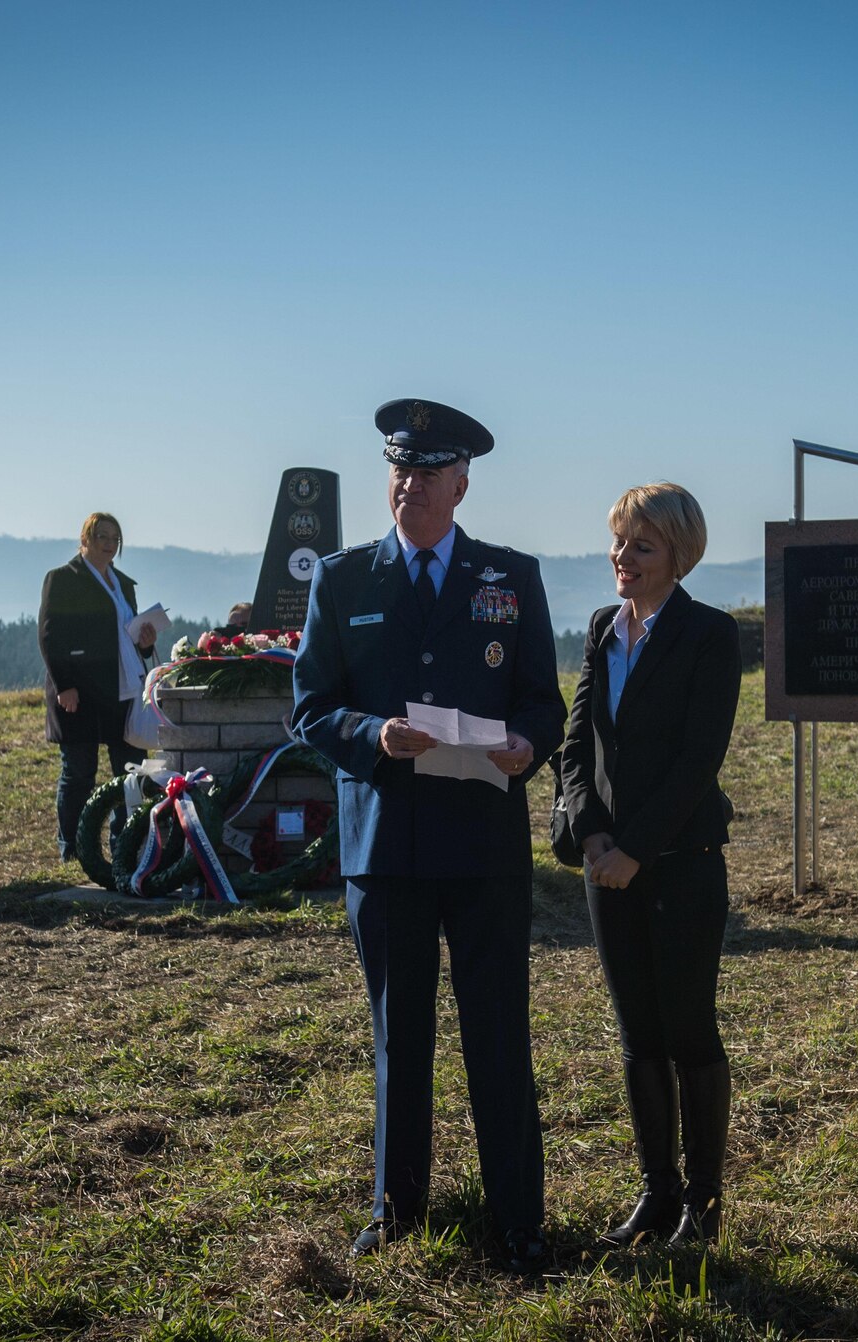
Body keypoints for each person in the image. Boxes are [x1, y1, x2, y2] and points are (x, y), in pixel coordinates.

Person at [292, 398, 566, 1271]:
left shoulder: (509, 576)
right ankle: (395, 1208)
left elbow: (541, 702)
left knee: (497, 1033)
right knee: (396, 1035)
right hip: (387, 847)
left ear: (461, 482)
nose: (408, 484)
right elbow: (310, 708)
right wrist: (371, 737)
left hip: (483, 841)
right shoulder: (343, 581)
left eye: (426, 472)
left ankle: (517, 1218)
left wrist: (530, 742)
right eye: (398, 470)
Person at [559, 483, 741, 1248]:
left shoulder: (710, 635)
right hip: (608, 870)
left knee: (688, 1031)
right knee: (637, 1036)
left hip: (682, 865)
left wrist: (638, 849)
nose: (622, 559)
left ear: (678, 556)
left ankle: (703, 1203)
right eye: (619, 542)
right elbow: (575, 749)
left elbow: (700, 759)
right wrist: (592, 836)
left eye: (642, 546)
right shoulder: (604, 629)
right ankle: (656, 1196)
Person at [38, 512, 159, 862]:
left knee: (129, 773)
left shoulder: (123, 583)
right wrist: (64, 685)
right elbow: (49, 634)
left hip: (121, 690)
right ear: (86, 538)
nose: (109, 544)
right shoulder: (63, 579)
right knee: (79, 773)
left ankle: (125, 845)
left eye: (115, 539)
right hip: (79, 691)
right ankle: (73, 849)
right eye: (102, 536)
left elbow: (132, 639)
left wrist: (146, 640)